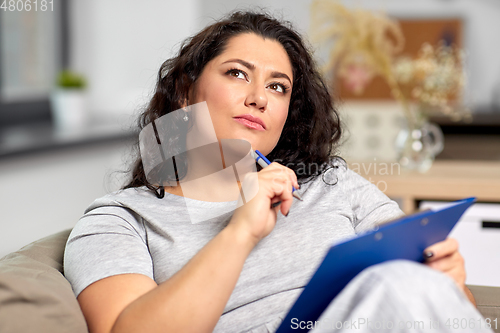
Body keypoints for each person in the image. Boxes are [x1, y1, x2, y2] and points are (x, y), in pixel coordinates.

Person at [64, 11, 491, 333]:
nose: (258, 98)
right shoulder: (120, 219)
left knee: (404, 282)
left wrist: (450, 278)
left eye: (277, 86)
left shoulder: (332, 184)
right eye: (237, 74)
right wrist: (239, 232)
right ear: (184, 91)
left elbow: (444, 310)